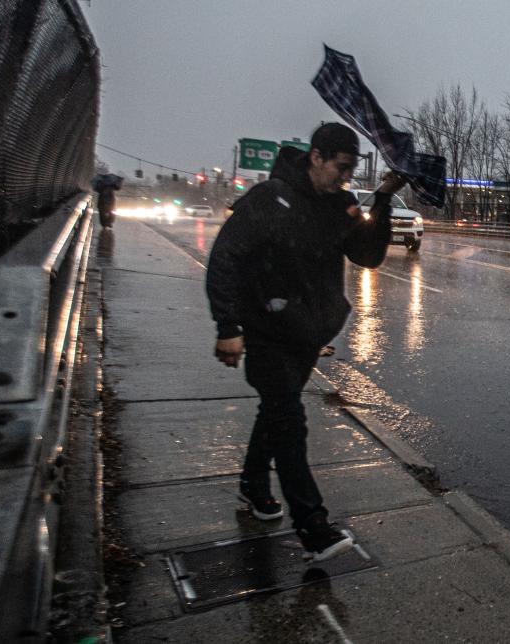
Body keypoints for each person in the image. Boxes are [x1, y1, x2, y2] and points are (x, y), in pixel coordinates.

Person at [205, 122, 406, 562]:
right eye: (341, 167)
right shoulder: (268, 199)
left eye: (352, 170)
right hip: (266, 330)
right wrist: (229, 327)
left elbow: (367, 256)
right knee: (289, 421)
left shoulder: (341, 205)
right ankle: (312, 527)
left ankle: (252, 485)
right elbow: (225, 259)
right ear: (316, 157)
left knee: (277, 413)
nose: (346, 178)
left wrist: (385, 199)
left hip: (308, 333)